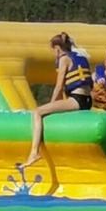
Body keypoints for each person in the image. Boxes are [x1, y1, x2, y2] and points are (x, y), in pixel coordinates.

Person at [22, 33, 93, 167]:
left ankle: (34, 152)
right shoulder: (80, 57)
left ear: (57, 48)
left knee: (37, 112)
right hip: (87, 100)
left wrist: (51, 104)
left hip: (77, 100)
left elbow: (59, 86)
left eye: (53, 50)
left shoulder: (64, 59)